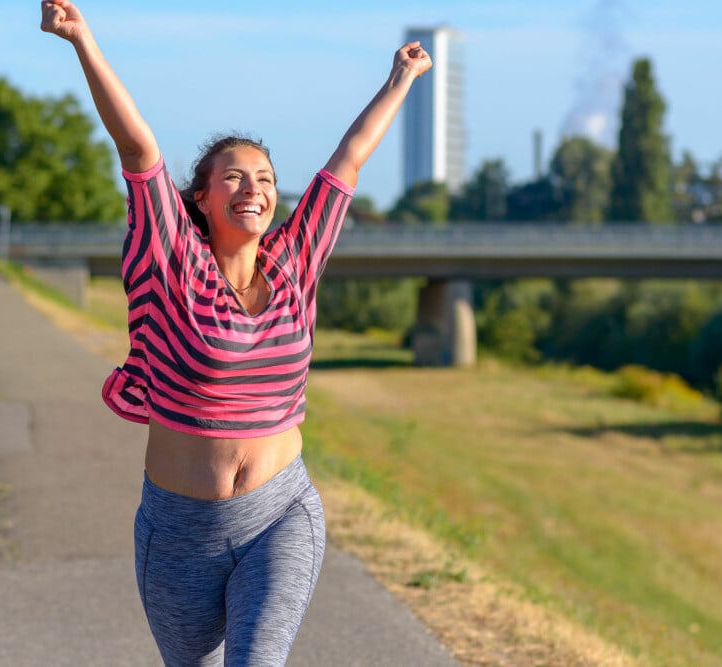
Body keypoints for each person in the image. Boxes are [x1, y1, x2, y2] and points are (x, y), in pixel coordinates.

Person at [39, 1, 432, 664]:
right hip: (178, 531)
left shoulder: (295, 260)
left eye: (266, 179)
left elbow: (347, 163)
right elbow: (138, 150)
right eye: (233, 177)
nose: (253, 188)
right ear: (201, 198)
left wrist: (400, 80)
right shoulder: (170, 262)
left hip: (280, 513)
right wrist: (82, 39)